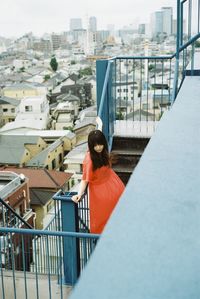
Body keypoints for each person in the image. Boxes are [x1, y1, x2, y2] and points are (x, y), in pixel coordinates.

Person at [72, 117, 125, 234]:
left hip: (110, 188)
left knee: (105, 218)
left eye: (100, 144)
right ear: (91, 146)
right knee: (107, 217)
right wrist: (79, 194)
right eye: (95, 146)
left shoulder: (97, 152)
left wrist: (100, 125)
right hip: (105, 191)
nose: (99, 147)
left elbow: (97, 137)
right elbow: (85, 180)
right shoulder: (90, 160)